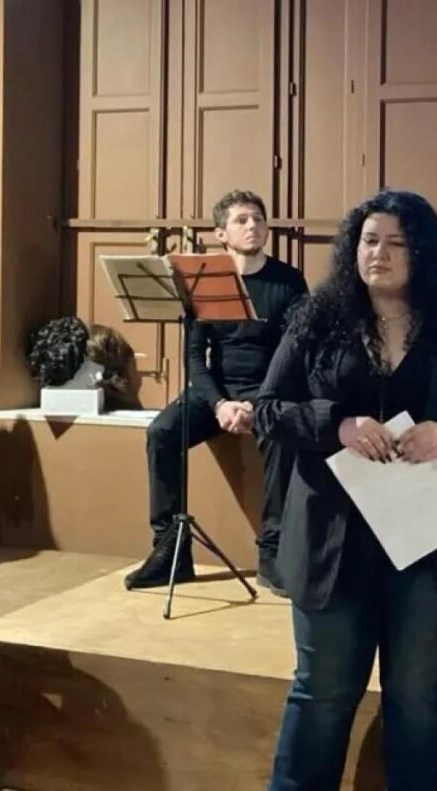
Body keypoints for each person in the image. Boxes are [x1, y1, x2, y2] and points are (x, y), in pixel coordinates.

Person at [255, 189, 437, 789]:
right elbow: (268, 410)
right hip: (332, 539)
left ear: (423, 254)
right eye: (370, 240)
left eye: (397, 243)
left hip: (429, 540)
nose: (380, 253)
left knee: (417, 695)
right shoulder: (316, 319)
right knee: (321, 693)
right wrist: (336, 425)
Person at [125, 189, 308, 593]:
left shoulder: (289, 281)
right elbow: (195, 357)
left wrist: (259, 403)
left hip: (269, 390)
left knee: (284, 438)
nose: (253, 225)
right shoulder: (204, 282)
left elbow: (295, 353)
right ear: (221, 233)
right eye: (242, 220)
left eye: (258, 218)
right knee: (162, 432)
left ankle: (273, 553)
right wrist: (220, 403)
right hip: (219, 392)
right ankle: (171, 551)